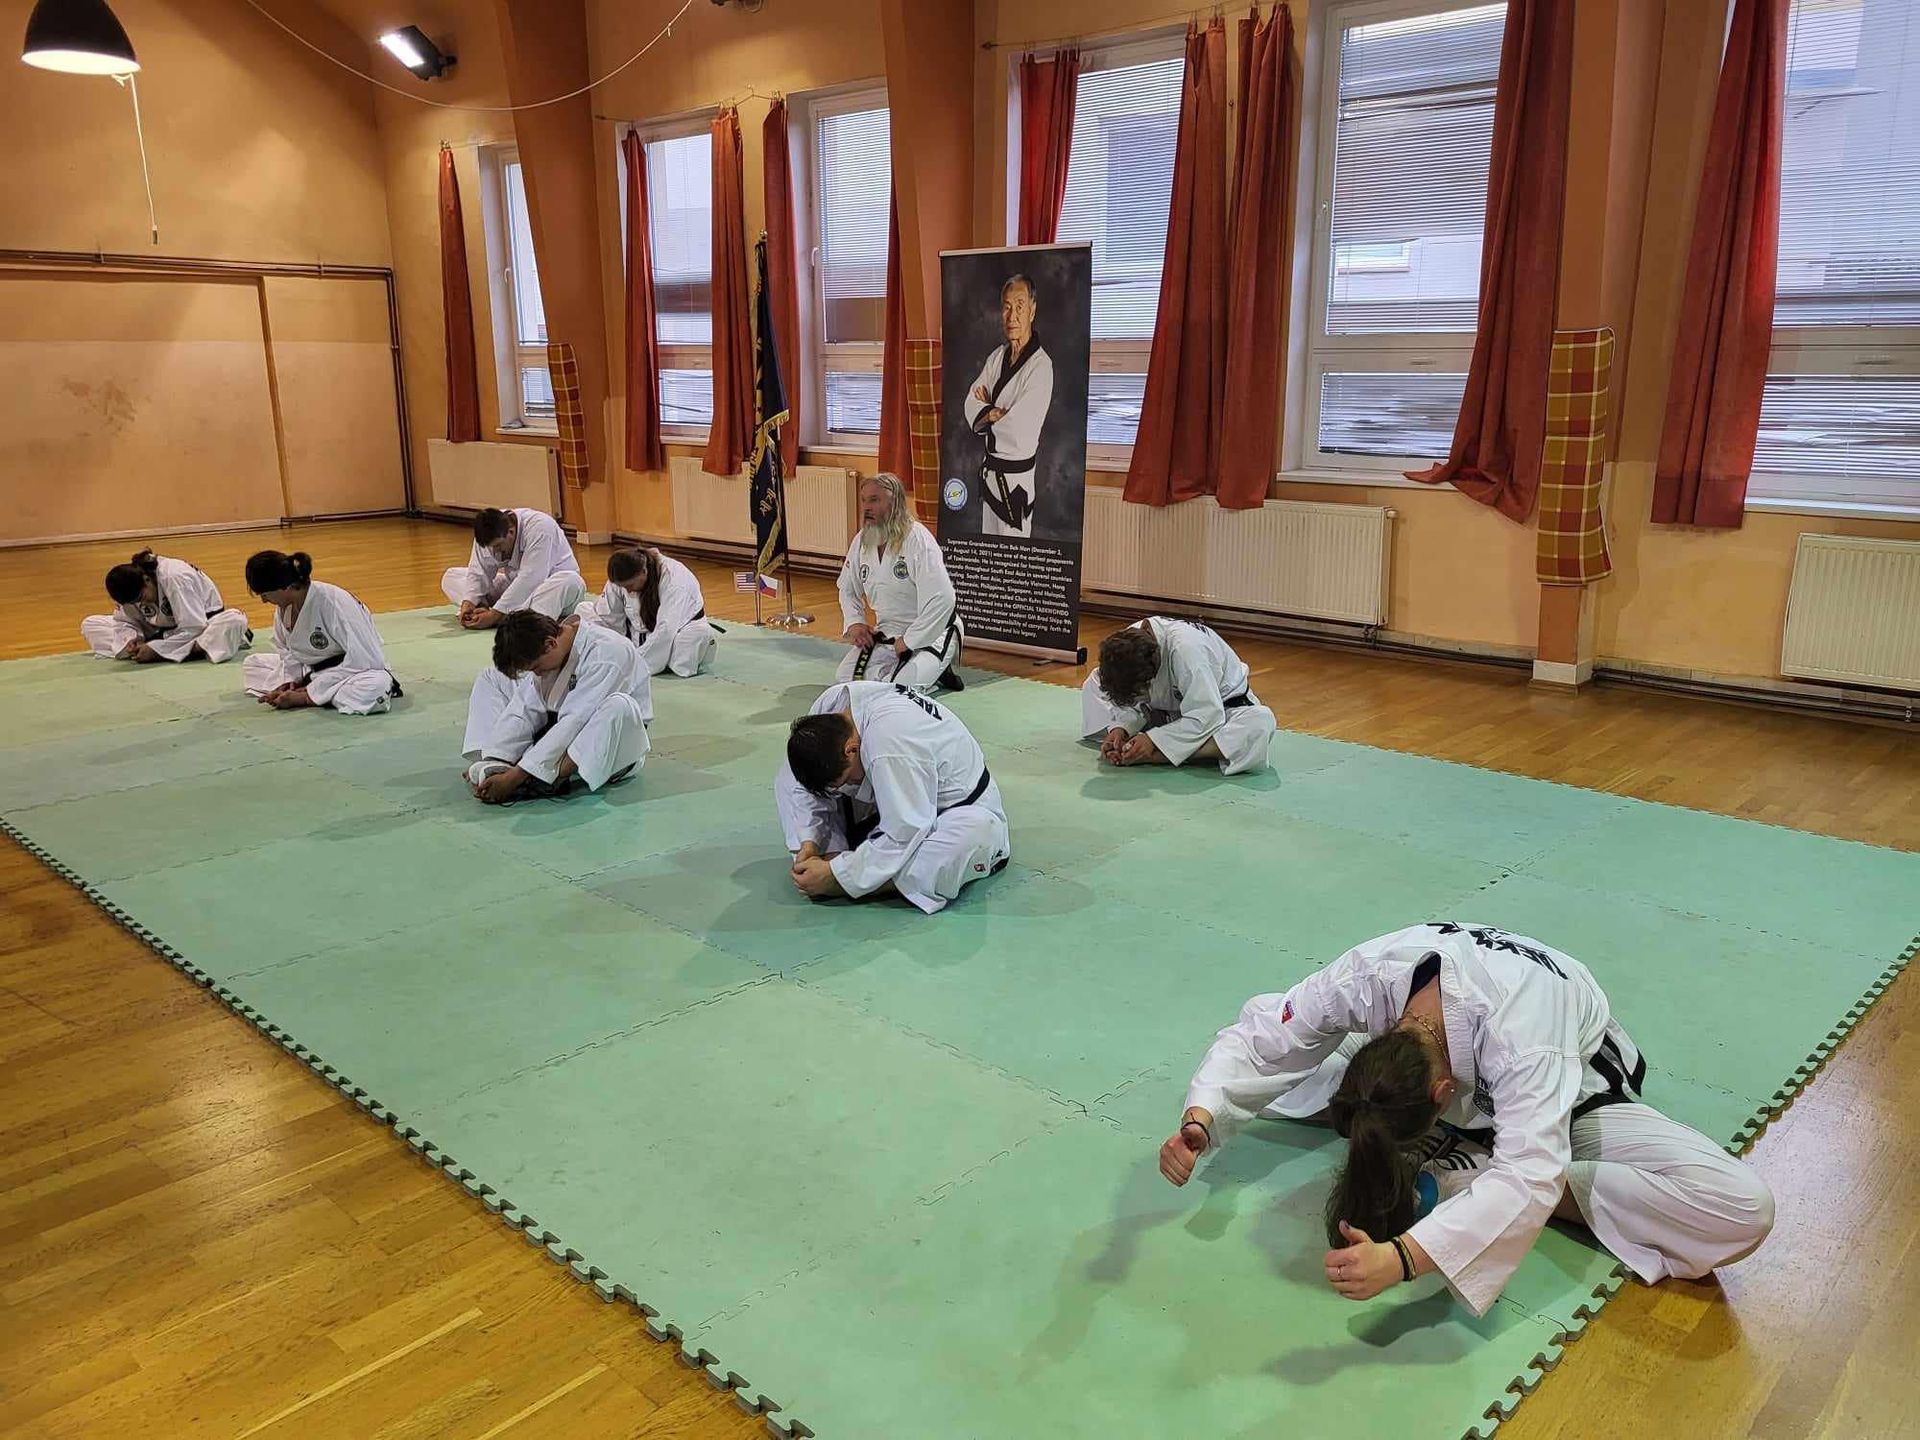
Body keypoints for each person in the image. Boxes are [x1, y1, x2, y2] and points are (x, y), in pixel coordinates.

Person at [1158, 923, 1775, 1317]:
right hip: (1449, 1075)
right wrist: (1203, 1116)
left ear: (1443, 1094)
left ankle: (1466, 1170)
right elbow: (1267, 1035)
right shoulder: (1369, 978)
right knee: (1290, 1080)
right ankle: (1461, 1153)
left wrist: (1405, 1256)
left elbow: (1532, 1171)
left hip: (1574, 1098)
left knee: (1742, 1208)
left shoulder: (1526, 1040)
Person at [776, 681, 1009, 915]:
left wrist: (840, 877)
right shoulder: (832, 706)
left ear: (851, 749)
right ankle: (828, 858)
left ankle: (866, 880)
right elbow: (808, 786)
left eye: (847, 779)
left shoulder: (888, 743)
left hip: (955, 809)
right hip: (895, 796)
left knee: (973, 835)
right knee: (789, 778)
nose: (849, 785)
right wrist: (810, 842)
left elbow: (905, 828)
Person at [461, 611, 652, 804]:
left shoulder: (608, 653)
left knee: (618, 705)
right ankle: (495, 762)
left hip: (612, 744)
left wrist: (517, 776)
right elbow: (525, 707)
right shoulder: (553, 649)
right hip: (558, 726)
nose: (536, 673)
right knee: (491, 676)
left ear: (550, 643)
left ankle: (549, 778)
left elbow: (575, 721)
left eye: (536, 667)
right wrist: (496, 755)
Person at [1081, 618, 1276, 776]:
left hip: (1223, 711)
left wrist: (1153, 742)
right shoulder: (1129, 643)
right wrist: (1119, 729)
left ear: (1151, 675)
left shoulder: (1188, 653)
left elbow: (1207, 715)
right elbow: (1129, 695)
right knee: (1093, 682)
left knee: (1260, 723)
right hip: (1166, 712)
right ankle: (1137, 745)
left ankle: (1159, 756)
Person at [835, 472, 964, 691]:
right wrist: (855, 622)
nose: (866, 507)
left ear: (895, 502)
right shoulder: (862, 541)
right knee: (845, 681)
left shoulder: (918, 540)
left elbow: (943, 599)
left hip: (933, 631)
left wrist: (911, 641)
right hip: (889, 632)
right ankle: (910, 671)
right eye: (864, 500)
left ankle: (938, 668)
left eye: (874, 500)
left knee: (903, 689)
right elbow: (847, 589)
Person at [240, 550, 400, 715]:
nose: (264, 601)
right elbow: (287, 650)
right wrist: (291, 681)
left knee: (372, 690)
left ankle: (316, 696)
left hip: (352, 671)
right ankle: (325, 695)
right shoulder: (284, 607)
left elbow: (367, 660)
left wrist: (306, 695)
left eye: (265, 594)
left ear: (285, 587)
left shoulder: (335, 603)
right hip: (311, 670)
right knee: (253, 664)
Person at [961, 274, 1055, 539]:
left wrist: (988, 411)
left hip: (1017, 485)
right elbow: (972, 401)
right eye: (1006, 306)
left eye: (1020, 306)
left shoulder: (1041, 367)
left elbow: (1019, 427)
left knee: (1013, 561)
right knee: (990, 559)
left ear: (1032, 310)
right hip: (991, 477)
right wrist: (992, 413)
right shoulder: (997, 357)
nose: (1012, 315)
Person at [80, 549, 251, 664]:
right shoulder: (131, 587)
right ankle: (182, 650)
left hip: (202, 627)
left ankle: (185, 650)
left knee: (234, 620)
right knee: (91, 624)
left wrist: (155, 649)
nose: (142, 604)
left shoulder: (175, 577)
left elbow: (194, 627)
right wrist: (133, 639)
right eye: (135, 603)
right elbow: (123, 621)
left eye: (141, 597)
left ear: (146, 580)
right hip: (160, 631)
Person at [577, 545, 717, 677]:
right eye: (623, 587)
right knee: (583, 611)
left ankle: (652, 661)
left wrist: (633, 664)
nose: (628, 590)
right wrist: (617, 646)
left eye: (630, 585)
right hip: (635, 633)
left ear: (644, 571)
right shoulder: (620, 579)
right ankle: (639, 657)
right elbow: (608, 617)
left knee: (695, 638)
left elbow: (666, 629)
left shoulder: (675, 582)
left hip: (677, 633)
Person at [440, 506, 585, 629]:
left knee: (570, 580)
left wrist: (495, 614)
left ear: (511, 531)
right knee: (451, 577)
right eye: (491, 547)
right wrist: (469, 602)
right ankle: (492, 611)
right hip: (515, 588)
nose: (495, 551)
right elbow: (478, 572)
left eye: (498, 546)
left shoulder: (540, 527)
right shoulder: (488, 530)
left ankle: (516, 618)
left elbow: (532, 578)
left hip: (552, 591)